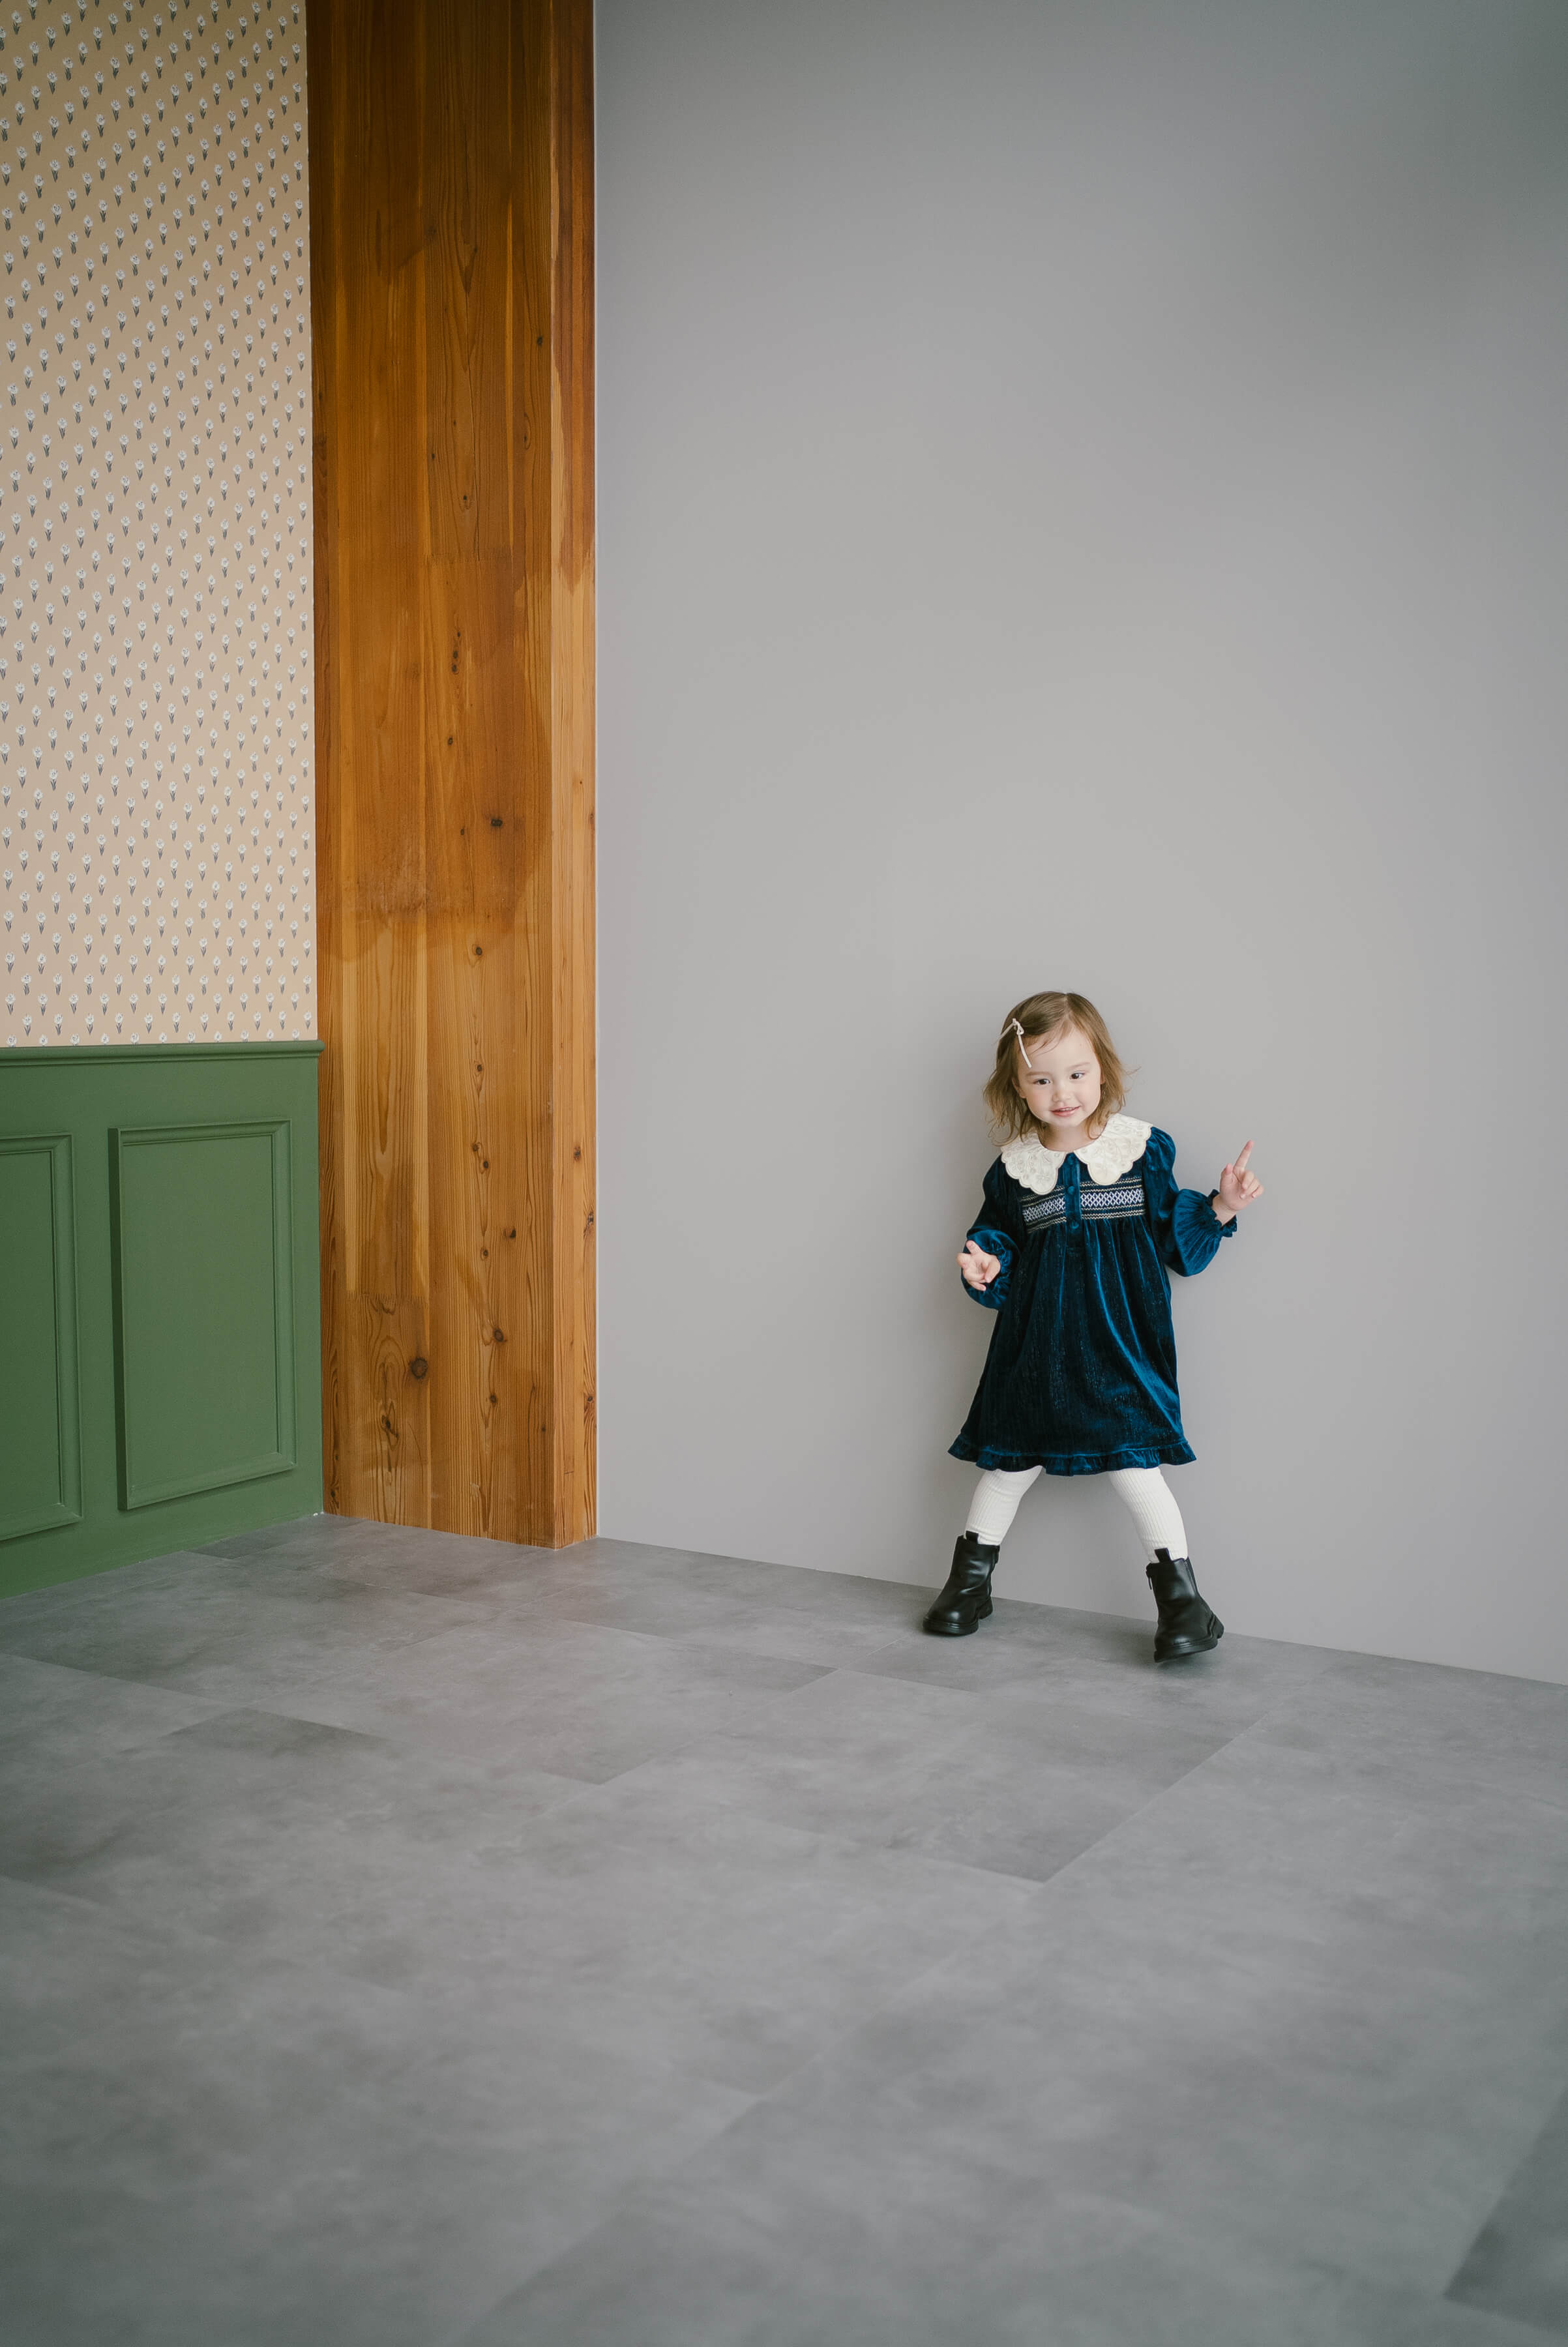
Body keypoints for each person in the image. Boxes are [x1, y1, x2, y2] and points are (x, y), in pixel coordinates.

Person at [928, 990, 1263, 1660]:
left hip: (1121, 1348)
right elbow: (996, 1240)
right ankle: (968, 1586)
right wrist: (984, 1263)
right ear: (1017, 1088)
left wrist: (1222, 1207)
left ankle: (1184, 1606)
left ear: (1102, 1070)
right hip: (1035, 1351)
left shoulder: (1142, 1150)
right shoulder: (1014, 1170)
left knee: (1136, 1468)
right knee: (1007, 1467)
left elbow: (1174, 1244)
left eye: (1076, 1073)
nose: (1062, 1094)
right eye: (1040, 1080)